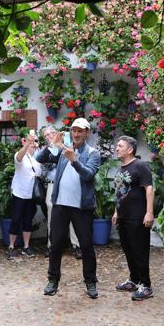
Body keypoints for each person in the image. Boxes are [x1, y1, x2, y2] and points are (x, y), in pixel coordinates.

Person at [36, 118, 101, 298]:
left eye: (81, 131)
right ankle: (52, 280)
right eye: (74, 130)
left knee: (86, 246)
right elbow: (39, 159)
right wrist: (52, 145)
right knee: (55, 244)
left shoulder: (92, 153)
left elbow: (89, 175)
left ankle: (90, 282)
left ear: (87, 133)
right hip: (60, 205)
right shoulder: (62, 149)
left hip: (81, 208)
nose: (77, 134)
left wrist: (74, 160)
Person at [112, 135, 155, 301]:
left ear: (130, 150)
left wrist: (149, 212)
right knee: (128, 250)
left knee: (140, 251)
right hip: (123, 216)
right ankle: (134, 280)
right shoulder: (121, 168)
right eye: (117, 146)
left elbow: (149, 189)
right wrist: (116, 212)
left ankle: (146, 285)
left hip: (138, 217)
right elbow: (119, 193)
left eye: (120, 146)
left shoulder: (140, 166)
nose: (117, 148)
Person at [36, 126, 81, 259]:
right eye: (46, 135)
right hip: (53, 185)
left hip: (69, 185)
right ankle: (52, 246)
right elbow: (39, 158)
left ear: (57, 133)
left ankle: (76, 245)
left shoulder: (68, 145)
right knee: (51, 216)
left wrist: (59, 145)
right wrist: (52, 145)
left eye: (51, 133)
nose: (49, 136)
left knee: (73, 214)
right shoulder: (47, 150)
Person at [4, 134, 41, 260]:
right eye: (31, 141)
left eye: (36, 141)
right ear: (24, 142)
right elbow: (19, 157)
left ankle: (26, 246)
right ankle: (11, 246)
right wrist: (27, 144)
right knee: (15, 219)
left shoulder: (37, 158)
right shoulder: (20, 155)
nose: (33, 143)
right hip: (19, 193)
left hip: (31, 195)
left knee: (28, 221)